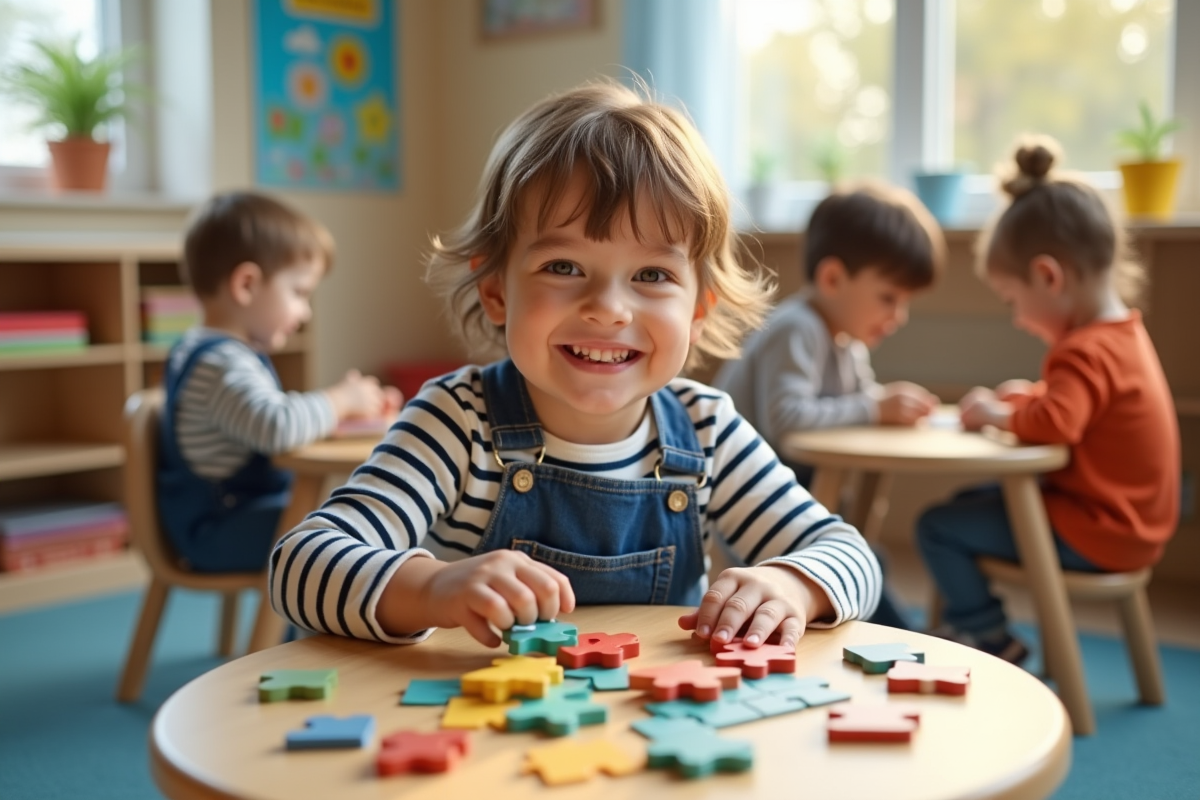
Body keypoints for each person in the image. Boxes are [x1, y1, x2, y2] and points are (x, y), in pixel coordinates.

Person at [268, 81, 882, 650]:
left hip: (655, 737)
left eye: (652, 275)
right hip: (475, 734)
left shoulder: (706, 430)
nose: (609, 309)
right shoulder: (456, 422)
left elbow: (850, 556)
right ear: (497, 292)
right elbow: (300, 564)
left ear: (698, 310)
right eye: (563, 267)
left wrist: (794, 584)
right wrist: (431, 588)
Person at [918, 137, 1180, 664]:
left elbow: (1058, 422)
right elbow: (1078, 408)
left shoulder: (1080, 351)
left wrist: (999, 412)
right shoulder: (1122, 335)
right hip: (1134, 527)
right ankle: (979, 628)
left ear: (1047, 276)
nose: (1017, 318)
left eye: (1014, 301)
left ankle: (991, 637)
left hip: (1096, 529)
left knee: (938, 526)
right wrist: (1031, 397)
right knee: (972, 501)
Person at [714, 181, 946, 630]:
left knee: (867, 560)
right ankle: (911, 646)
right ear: (833, 279)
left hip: (800, 491)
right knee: (864, 565)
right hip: (753, 506)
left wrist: (886, 407)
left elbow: (861, 400)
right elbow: (788, 423)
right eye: (888, 298)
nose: (898, 317)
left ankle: (899, 632)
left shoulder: (844, 341)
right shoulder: (797, 329)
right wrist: (877, 407)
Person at [159, 191, 399, 573]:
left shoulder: (209, 351)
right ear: (247, 285)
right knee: (337, 535)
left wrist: (350, 410)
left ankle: (307, 621)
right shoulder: (221, 364)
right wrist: (338, 399)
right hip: (219, 530)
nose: (304, 312)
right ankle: (313, 628)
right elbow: (277, 425)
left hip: (232, 520)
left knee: (334, 527)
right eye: (299, 292)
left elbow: (270, 416)